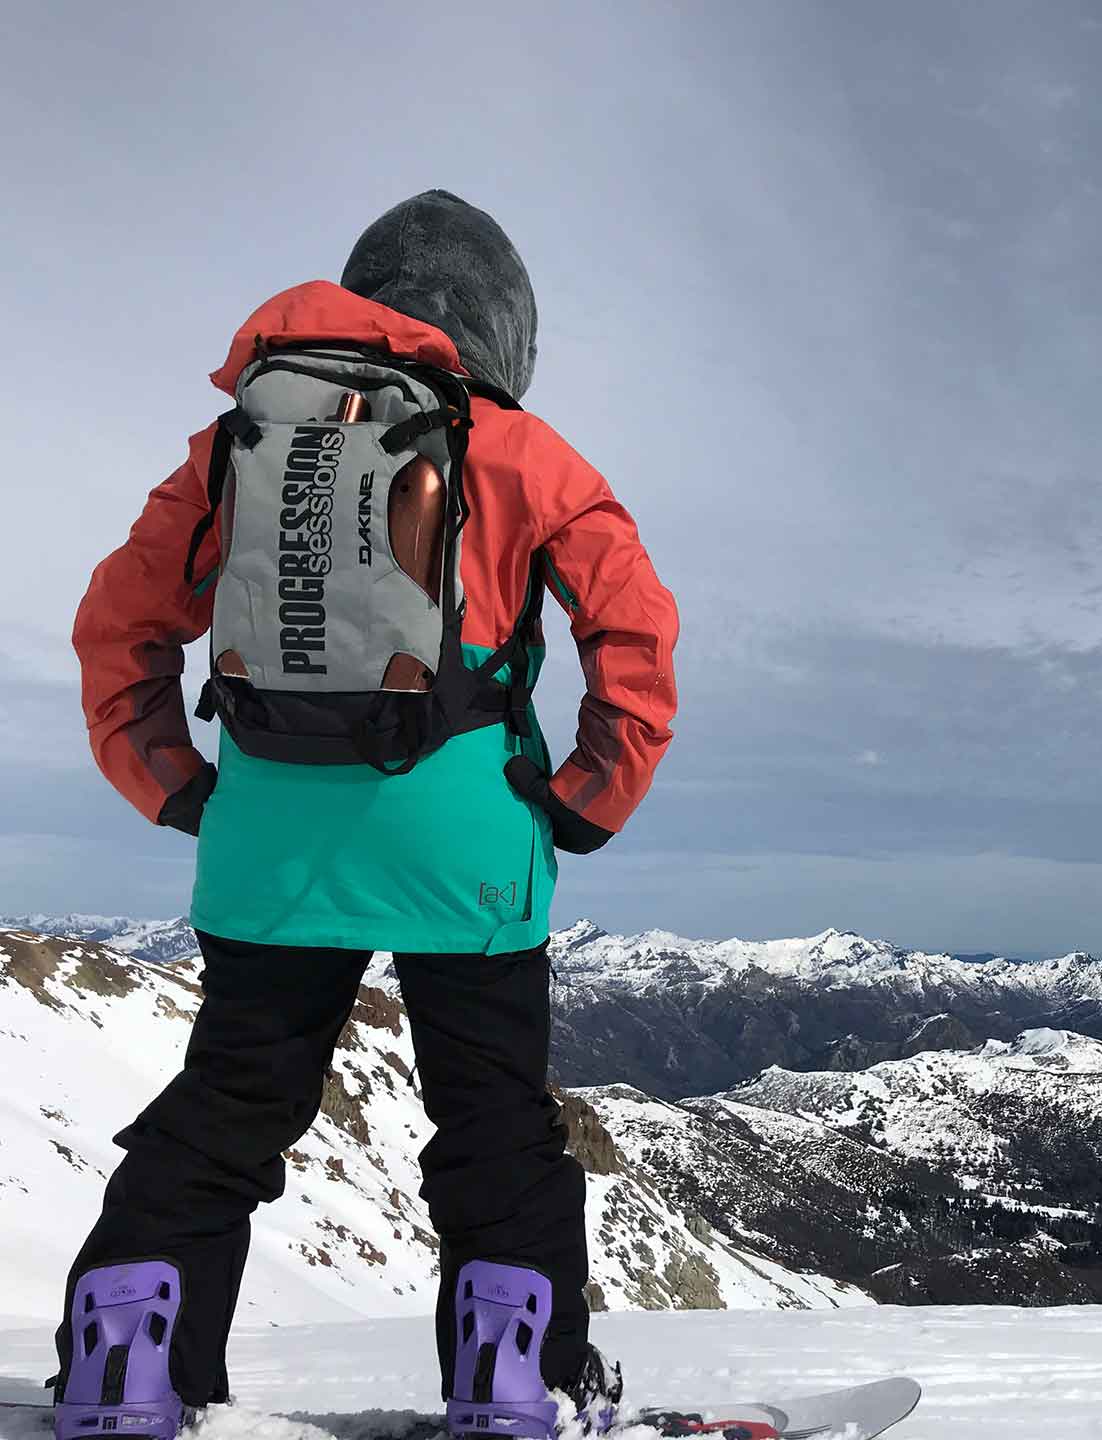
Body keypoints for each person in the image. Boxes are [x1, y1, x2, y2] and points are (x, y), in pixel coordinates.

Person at [55, 190, 679, 1440]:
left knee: (231, 1104)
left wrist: (173, 782)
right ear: (502, 323)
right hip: (470, 850)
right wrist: (587, 796)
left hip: (270, 848)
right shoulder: (522, 451)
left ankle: (124, 1367)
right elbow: (635, 629)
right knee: (494, 1122)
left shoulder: (235, 443)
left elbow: (119, 626)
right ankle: (513, 1380)